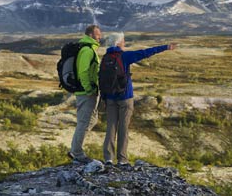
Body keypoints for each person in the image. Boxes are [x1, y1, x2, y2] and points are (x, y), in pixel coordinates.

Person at [101, 32, 177, 167]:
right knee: (123, 128)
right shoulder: (125, 56)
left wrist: (104, 98)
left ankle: (108, 159)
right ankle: (122, 160)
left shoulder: (105, 57)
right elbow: (145, 52)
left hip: (110, 98)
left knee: (111, 128)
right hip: (125, 97)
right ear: (118, 43)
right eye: (123, 41)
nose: (124, 43)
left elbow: (101, 78)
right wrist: (165, 47)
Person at [68, 24, 102, 164]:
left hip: (89, 91)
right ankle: (77, 153)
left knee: (91, 120)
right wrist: (89, 90)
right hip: (86, 92)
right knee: (83, 122)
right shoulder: (87, 50)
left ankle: (75, 149)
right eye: (98, 34)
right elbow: (83, 71)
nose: (100, 36)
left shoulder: (89, 49)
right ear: (91, 35)